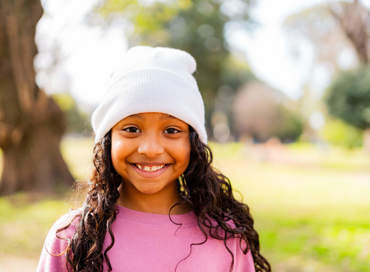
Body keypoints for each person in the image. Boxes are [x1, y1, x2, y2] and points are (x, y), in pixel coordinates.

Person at [37, 46, 271, 272]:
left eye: (171, 130)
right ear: (108, 141)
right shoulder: (72, 238)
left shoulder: (225, 238)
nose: (150, 149)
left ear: (194, 143)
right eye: (131, 128)